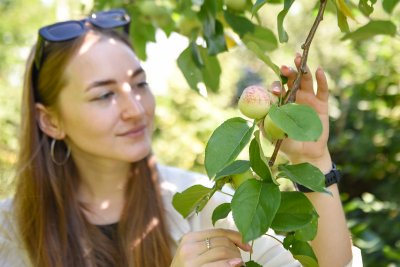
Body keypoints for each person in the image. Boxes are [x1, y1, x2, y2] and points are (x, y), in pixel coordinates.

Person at [0, 8, 362, 267]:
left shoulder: (202, 206)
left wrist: (312, 160)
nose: (135, 108)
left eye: (139, 84)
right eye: (104, 95)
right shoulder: (8, 235)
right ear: (50, 121)